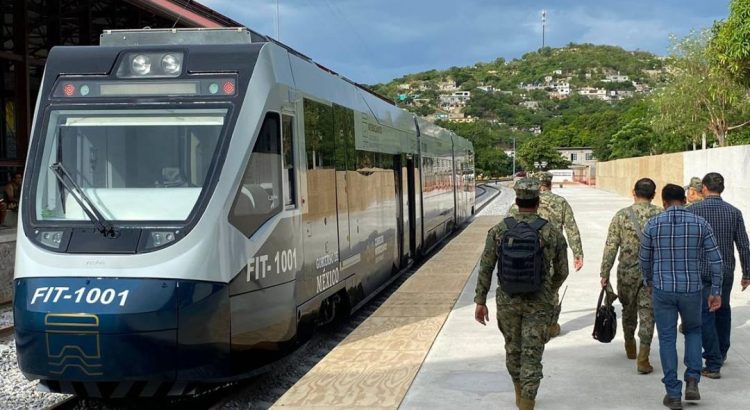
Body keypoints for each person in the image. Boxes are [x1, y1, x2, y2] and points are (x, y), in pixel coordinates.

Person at [474, 178, 568, 410]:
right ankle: (527, 402)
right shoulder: (550, 231)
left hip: (507, 301)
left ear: (516, 201)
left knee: (513, 349)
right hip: (539, 301)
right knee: (532, 354)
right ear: (538, 202)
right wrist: (549, 289)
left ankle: (519, 394)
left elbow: (486, 267)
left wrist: (480, 301)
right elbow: (562, 271)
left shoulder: (499, 230)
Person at [639, 184, 723, 410]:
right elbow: (716, 260)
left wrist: (648, 283)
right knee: (693, 331)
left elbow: (644, 259)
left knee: (667, 338)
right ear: (685, 200)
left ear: (664, 202)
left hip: (663, 289)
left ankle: (673, 393)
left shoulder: (653, 224)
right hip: (692, 290)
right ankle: (693, 379)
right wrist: (716, 291)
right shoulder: (700, 223)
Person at [686, 172, 750, 379]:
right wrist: (747, 273)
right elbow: (743, 246)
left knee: (705, 313)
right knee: (723, 309)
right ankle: (721, 352)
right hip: (725, 271)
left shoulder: (693, 210)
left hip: (700, 271)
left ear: (703, 188)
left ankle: (713, 362)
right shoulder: (734, 212)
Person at [509, 171, 582, 337]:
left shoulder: (519, 205)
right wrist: (578, 253)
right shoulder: (561, 202)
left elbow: (508, 229)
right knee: (552, 289)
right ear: (550, 183)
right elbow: (572, 229)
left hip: (525, 254)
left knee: (526, 287)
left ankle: (527, 324)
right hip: (552, 253)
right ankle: (550, 326)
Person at [600, 178, 662, 374]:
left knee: (628, 311)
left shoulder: (622, 216)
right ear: (653, 194)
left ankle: (630, 347)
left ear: (633, 192)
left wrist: (604, 273)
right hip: (652, 274)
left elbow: (611, 246)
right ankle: (643, 359)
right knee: (647, 315)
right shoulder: (661, 214)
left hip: (627, 273)